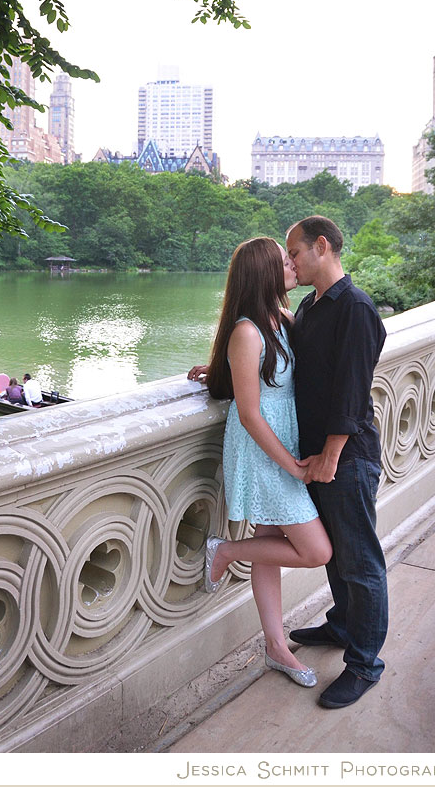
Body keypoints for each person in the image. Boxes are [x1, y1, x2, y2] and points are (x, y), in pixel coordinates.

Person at [187, 237, 332, 688]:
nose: (292, 266)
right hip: (263, 450)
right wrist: (291, 465)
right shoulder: (247, 330)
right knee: (317, 550)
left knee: (271, 542)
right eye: (283, 261)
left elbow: (266, 377)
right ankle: (225, 550)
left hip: (283, 441)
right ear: (263, 273)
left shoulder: (284, 319)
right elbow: (249, 412)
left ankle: (275, 647)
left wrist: (214, 372)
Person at [284, 215, 388, 709]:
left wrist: (331, 454)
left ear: (321, 246)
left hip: (346, 458)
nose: (291, 263)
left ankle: (365, 664)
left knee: (361, 563)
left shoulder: (357, 308)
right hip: (318, 456)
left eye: (296, 254)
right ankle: (343, 626)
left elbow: (352, 388)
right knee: (337, 557)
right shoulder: (311, 305)